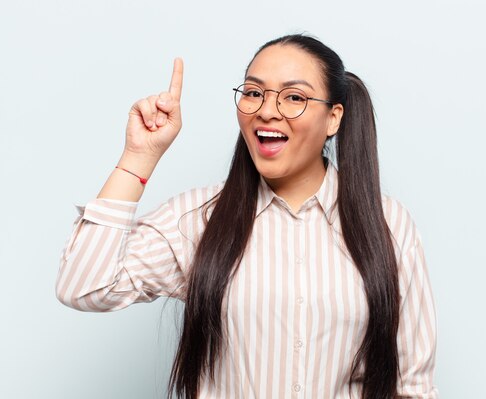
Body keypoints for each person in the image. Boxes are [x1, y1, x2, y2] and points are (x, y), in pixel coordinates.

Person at [56, 34, 439, 399]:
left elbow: (412, 387)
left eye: (293, 97)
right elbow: (84, 286)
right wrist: (139, 157)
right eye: (254, 93)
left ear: (333, 118)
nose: (267, 111)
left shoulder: (388, 224)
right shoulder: (200, 219)